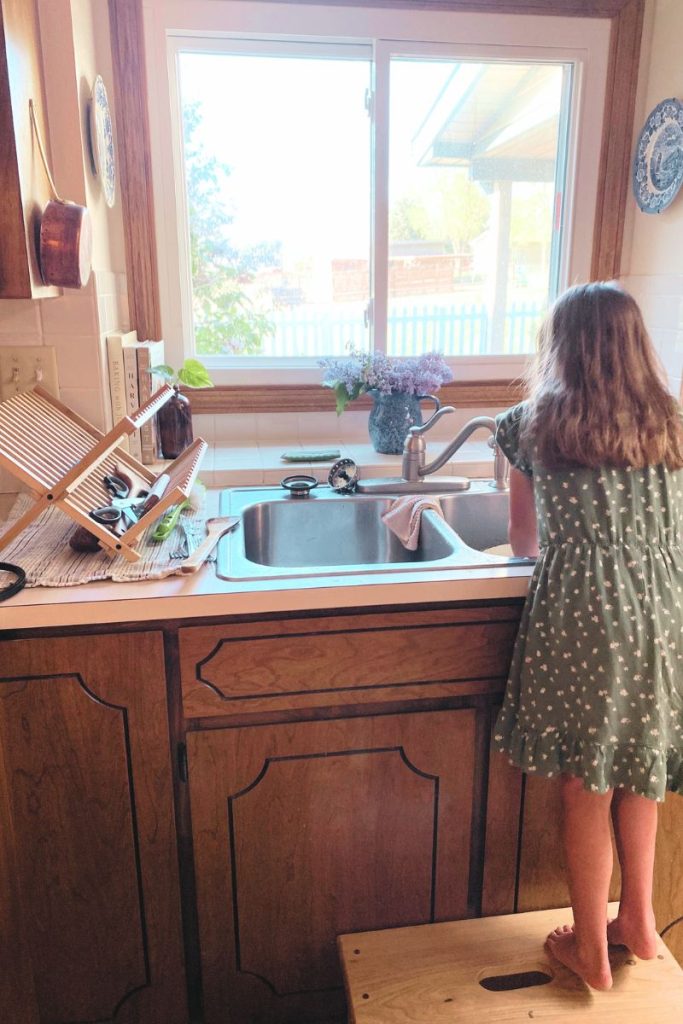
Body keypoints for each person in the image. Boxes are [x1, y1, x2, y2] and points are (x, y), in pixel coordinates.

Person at [493, 281, 683, 991]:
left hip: (584, 613)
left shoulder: (530, 424)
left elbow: (520, 538)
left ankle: (591, 954)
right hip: (665, 610)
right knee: (641, 770)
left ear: (559, 346)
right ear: (636, 345)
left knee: (583, 783)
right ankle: (637, 920)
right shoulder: (672, 422)